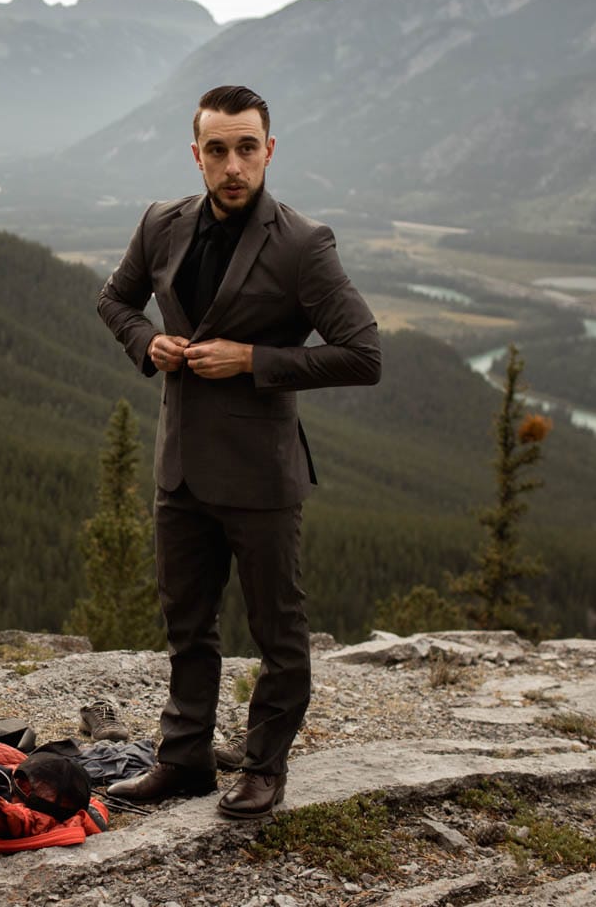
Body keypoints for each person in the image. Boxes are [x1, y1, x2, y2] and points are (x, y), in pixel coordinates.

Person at [97, 85, 380, 818]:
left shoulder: (301, 243)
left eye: (246, 148)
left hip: (261, 476)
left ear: (269, 151)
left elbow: (363, 353)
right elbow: (115, 301)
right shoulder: (161, 224)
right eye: (217, 149)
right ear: (197, 155)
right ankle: (185, 759)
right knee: (187, 626)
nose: (233, 164)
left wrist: (255, 360)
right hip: (181, 468)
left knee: (278, 632)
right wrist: (144, 342)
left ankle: (264, 767)